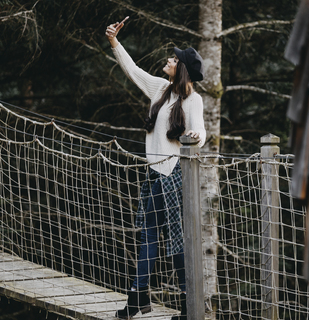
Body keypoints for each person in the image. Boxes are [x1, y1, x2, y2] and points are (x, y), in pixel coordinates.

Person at [105, 17, 206, 320]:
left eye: (173, 58)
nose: (168, 59)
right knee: (147, 237)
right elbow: (133, 70)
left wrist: (195, 138)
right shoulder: (160, 89)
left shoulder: (193, 100)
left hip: (173, 176)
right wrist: (113, 42)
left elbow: (200, 133)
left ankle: (188, 306)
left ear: (182, 67)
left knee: (176, 241)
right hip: (153, 177)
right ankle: (138, 299)